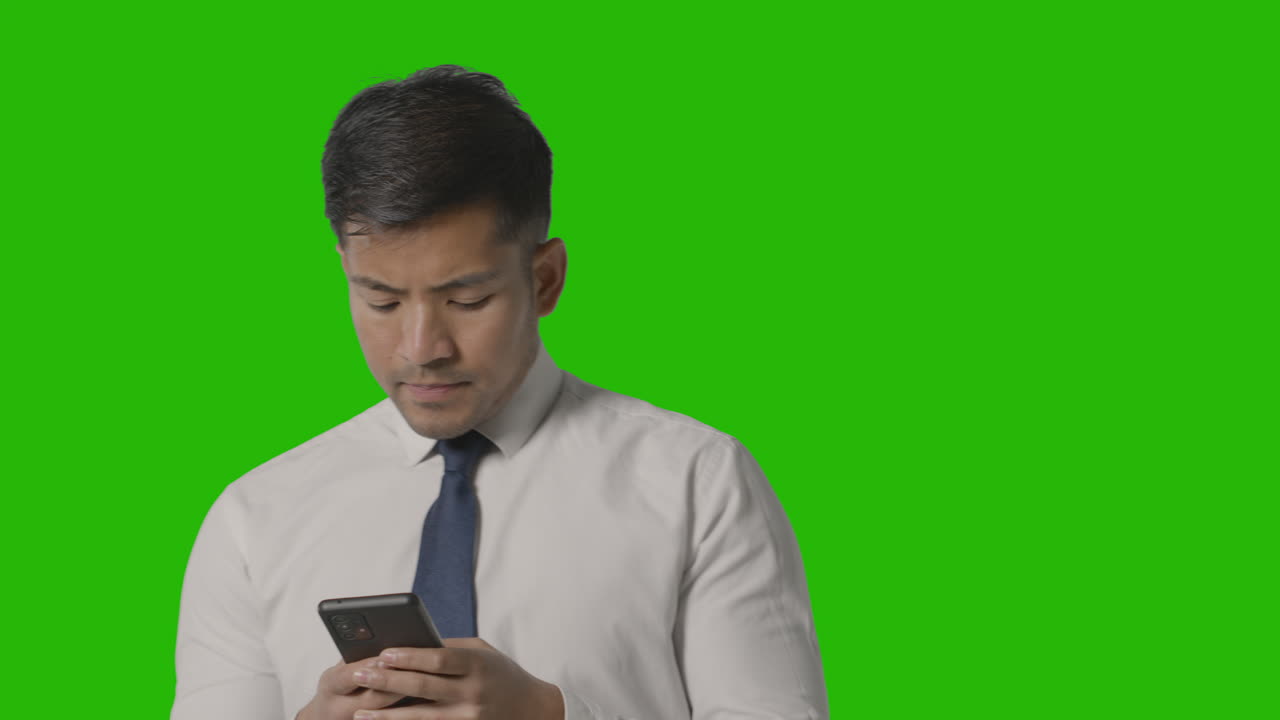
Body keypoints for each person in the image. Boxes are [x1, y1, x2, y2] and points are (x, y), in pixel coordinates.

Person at [171, 64, 827, 720]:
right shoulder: (255, 520)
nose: (423, 347)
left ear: (545, 279)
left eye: (466, 298)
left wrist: (550, 716)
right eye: (382, 299)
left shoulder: (697, 484)